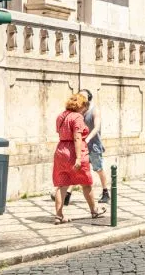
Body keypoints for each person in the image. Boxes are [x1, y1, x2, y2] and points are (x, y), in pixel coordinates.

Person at [52, 93, 106, 224]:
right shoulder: (77, 117)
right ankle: (94, 210)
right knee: (86, 183)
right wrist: (77, 158)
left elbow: (60, 132)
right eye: (84, 106)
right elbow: (77, 137)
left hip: (61, 150)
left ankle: (59, 215)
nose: (85, 109)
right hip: (75, 151)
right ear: (80, 105)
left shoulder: (61, 115)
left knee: (62, 184)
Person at [82, 90, 110, 204]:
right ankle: (67, 194)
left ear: (89, 98)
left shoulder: (94, 110)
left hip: (93, 145)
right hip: (82, 145)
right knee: (78, 169)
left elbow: (96, 127)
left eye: (83, 96)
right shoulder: (80, 111)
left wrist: (88, 138)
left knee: (98, 169)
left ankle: (105, 192)